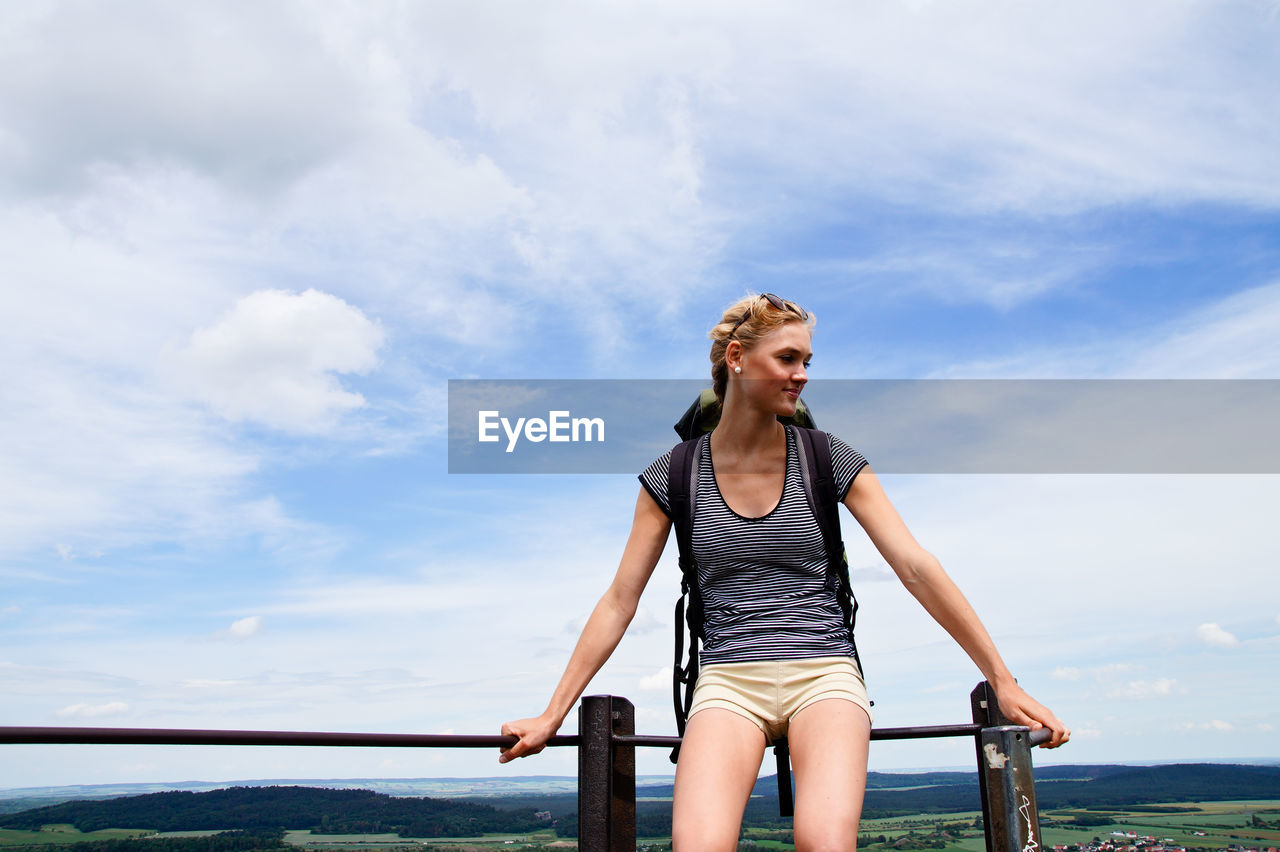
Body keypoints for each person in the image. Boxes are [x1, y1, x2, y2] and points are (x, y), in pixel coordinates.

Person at [499, 293, 1069, 851]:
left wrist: (1003, 679)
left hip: (824, 673)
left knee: (823, 842)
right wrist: (554, 714)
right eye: (787, 359)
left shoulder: (828, 456)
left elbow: (916, 567)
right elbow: (620, 599)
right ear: (737, 358)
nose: (801, 375)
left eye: (806, 362)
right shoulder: (672, 475)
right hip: (727, 681)